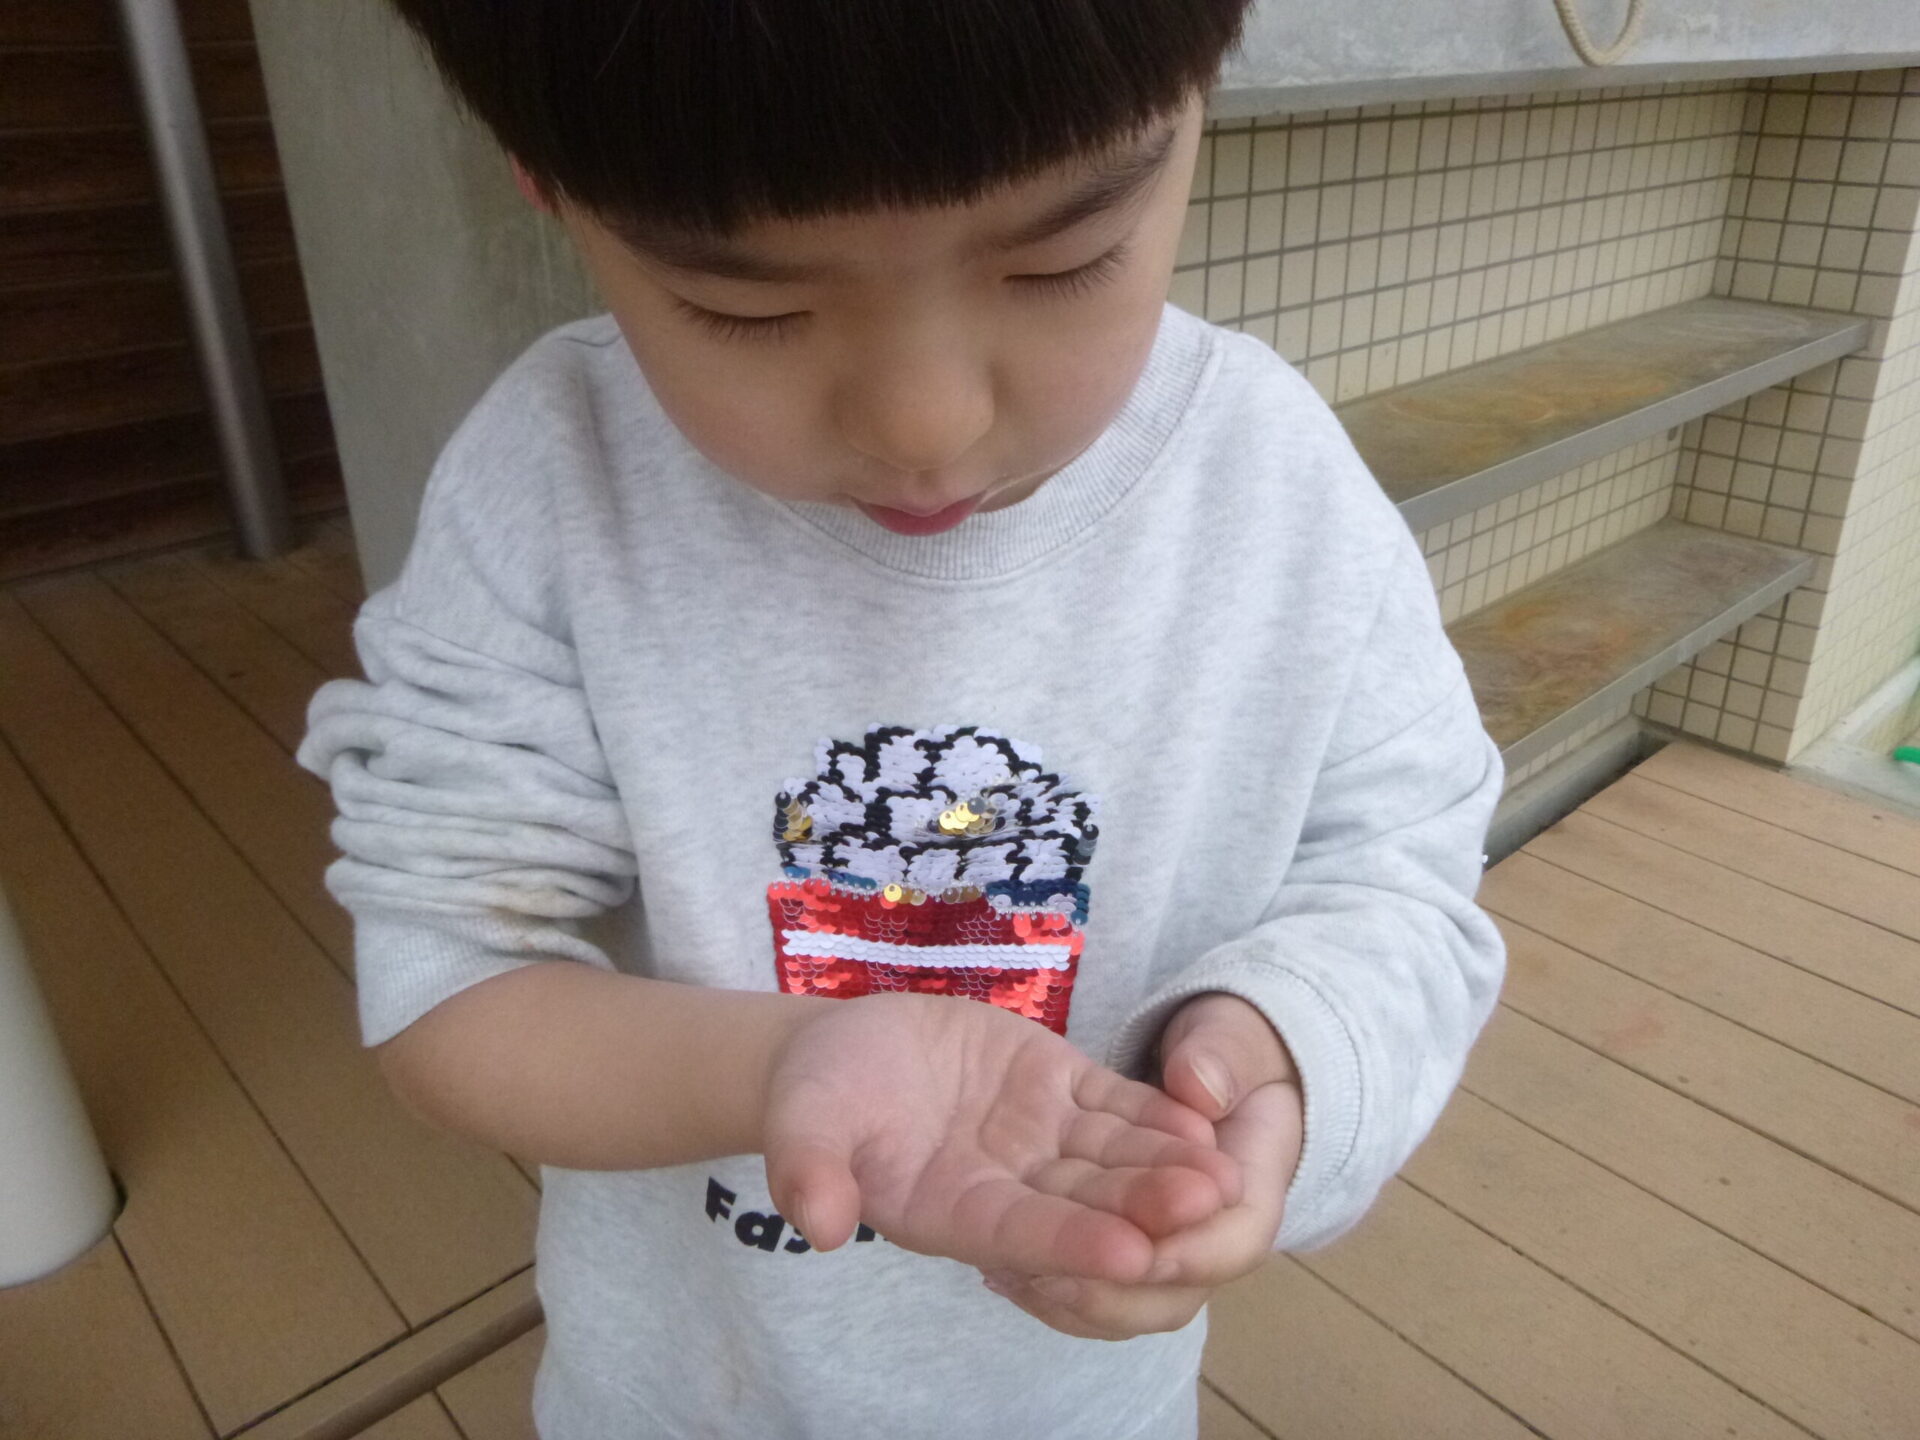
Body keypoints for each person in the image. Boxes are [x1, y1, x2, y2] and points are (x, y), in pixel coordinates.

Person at [295, 2, 1508, 1436]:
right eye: (748, 309)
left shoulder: (1281, 491)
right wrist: (781, 1066)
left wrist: (1280, 1045)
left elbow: (1399, 877)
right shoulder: (554, 481)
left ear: (1198, 102)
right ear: (545, 184)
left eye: (1062, 260)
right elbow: (450, 976)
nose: (925, 422)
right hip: (678, 1402)